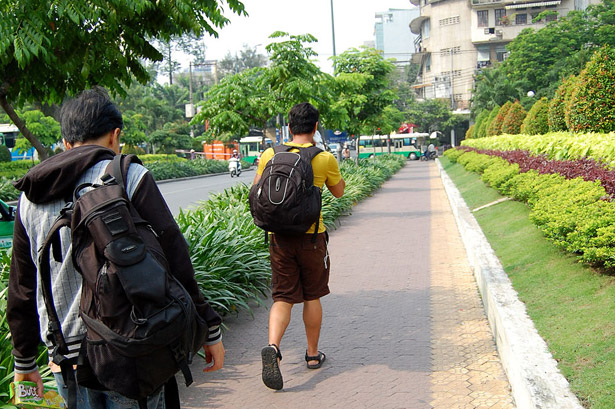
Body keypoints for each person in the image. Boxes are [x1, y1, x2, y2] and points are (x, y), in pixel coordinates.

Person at [7, 87, 225, 408]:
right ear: (115, 135)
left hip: (65, 359)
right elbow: (176, 259)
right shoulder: (129, 175)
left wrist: (24, 360)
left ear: (66, 143)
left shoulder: (30, 196)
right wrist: (209, 329)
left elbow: (23, 285)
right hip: (131, 352)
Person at [252, 102, 345, 390]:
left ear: (289, 127)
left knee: (283, 296)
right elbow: (339, 192)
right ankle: (313, 355)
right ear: (315, 126)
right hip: (311, 237)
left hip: (279, 238)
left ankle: (273, 347)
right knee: (312, 294)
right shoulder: (324, 158)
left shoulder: (270, 154)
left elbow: (257, 190)